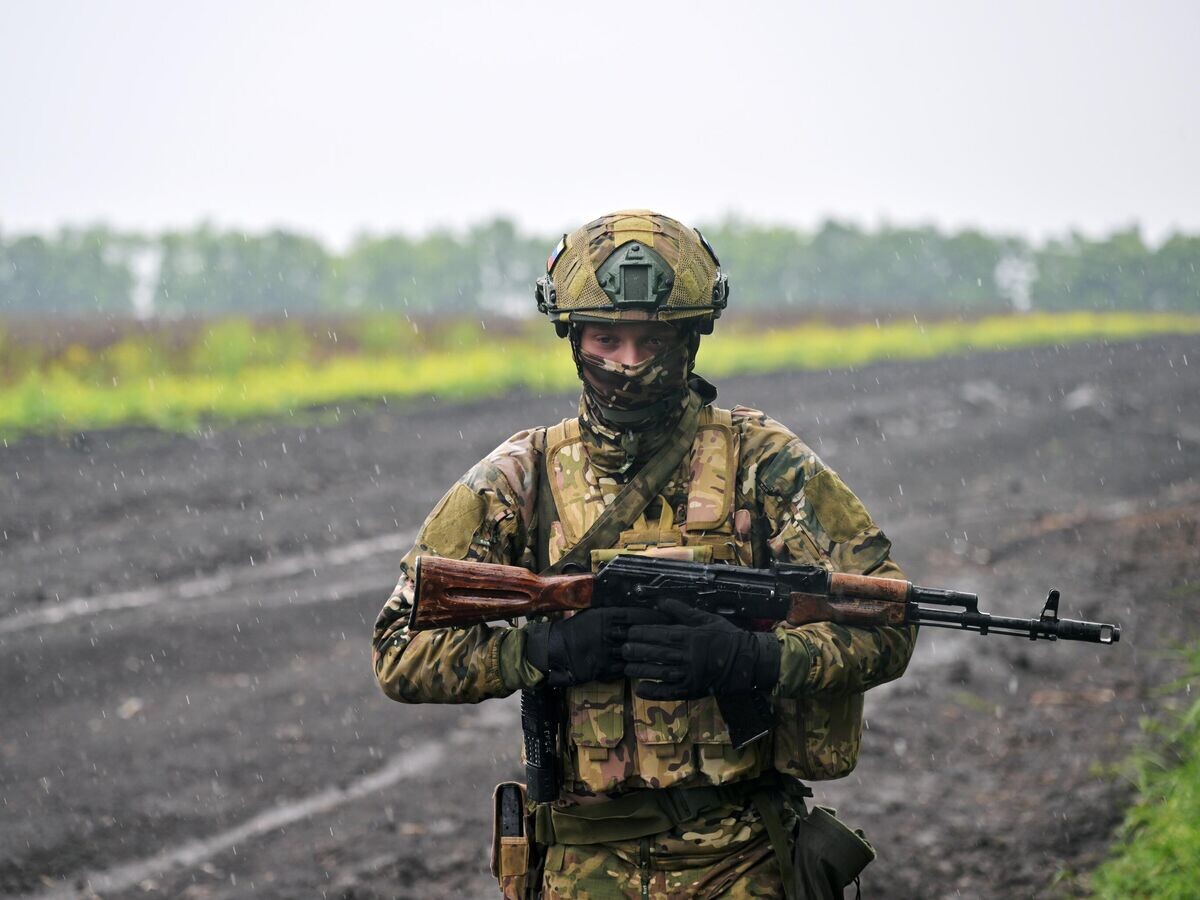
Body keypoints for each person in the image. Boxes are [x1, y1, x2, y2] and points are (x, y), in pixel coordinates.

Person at [372, 210, 917, 898]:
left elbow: (889, 623)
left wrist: (757, 660)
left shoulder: (763, 462)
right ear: (574, 339)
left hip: (743, 857)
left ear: (690, 336)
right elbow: (398, 650)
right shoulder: (523, 475)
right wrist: (539, 651)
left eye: (651, 339)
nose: (629, 363)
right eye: (607, 339)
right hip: (581, 867)